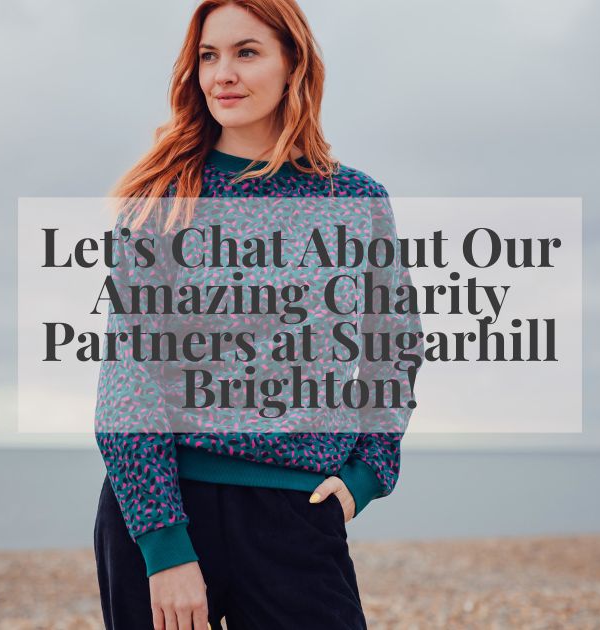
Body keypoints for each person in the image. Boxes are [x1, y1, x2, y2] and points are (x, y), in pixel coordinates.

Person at [93, 1, 424, 628]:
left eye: (247, 52)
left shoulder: (355, 200)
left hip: (295, 511)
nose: (223, 74)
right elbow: (129, 380)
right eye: (208, 57)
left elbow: (395, 342)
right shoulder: (163, 200)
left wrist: (369, 471)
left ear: (292, 62)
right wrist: (163, 547)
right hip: (162, 507)